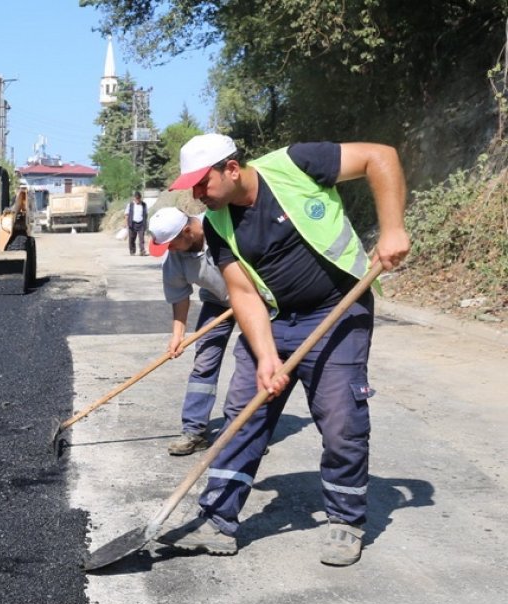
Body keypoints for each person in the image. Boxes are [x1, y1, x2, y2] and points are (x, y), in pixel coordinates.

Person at [155, 133, 408, 566]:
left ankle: (345, 520)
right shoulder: (217, 226)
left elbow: (380, 156)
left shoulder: (295, 164)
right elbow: (245, 294)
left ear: (231, 169)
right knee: (244, 415)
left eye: (203, 184)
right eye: (192, 188)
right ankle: (218, 520)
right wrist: (266, 356)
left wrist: (392, 229)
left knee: (340, 417)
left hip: (337, 311)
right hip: (273, 318)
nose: (197, 196)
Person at [147, 207, 235, 456]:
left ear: (188, 231)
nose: (169, 250)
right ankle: (195, 431)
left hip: (259, 302)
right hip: (219, 302)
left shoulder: (225, 223)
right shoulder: (175, 256)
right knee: (204, 361)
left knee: (252, 364)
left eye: (171, 244)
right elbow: (179, 295)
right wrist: (178, 334)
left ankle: (246, 434)